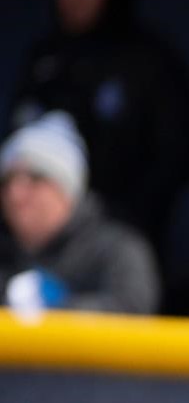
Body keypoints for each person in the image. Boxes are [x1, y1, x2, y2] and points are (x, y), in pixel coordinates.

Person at [9, 0, 189, 262]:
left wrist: (125, 221)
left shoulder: (149, 61)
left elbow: (176, 160)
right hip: (34, 244)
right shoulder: (43, 59)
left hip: (116, 237)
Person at [1, 110, 157, 314]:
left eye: (36, 178)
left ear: (68, 191)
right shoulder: (5, 252)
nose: (16, 194)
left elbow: (131, 313)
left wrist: (56, 311)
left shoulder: (118, 252)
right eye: (7, 181)